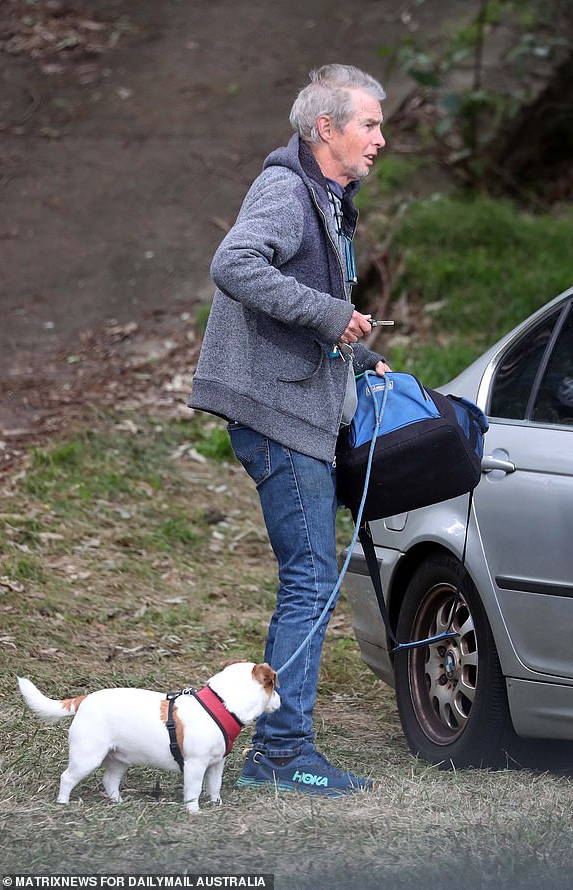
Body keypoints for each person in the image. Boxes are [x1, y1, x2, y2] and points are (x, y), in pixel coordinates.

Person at [188, 64, 391, 796]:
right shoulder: (286, 188)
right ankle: (280, 752)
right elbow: (233, 262)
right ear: (325, 129)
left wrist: (357, 352)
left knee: (308, 578)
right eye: (368, 124)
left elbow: (303, 308)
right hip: (277, 416)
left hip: (300, 410)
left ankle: (279, 747)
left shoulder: (330, 199)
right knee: (310, 578)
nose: (381, 138)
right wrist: (330, 314)